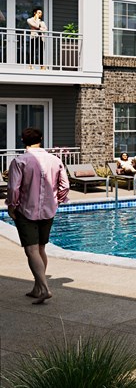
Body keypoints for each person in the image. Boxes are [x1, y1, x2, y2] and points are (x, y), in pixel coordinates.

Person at [7, 127, 69, 304]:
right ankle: (37, 287)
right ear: (41, 139)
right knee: (41, 248)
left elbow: (13, 188)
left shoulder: (19, 161)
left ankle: (44, 289)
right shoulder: (55, 160)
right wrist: (56, 201)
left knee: (31, 250)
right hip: (49, 210)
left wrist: (12, 206)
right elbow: (64, 186)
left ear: (22, 141)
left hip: (27, 210)